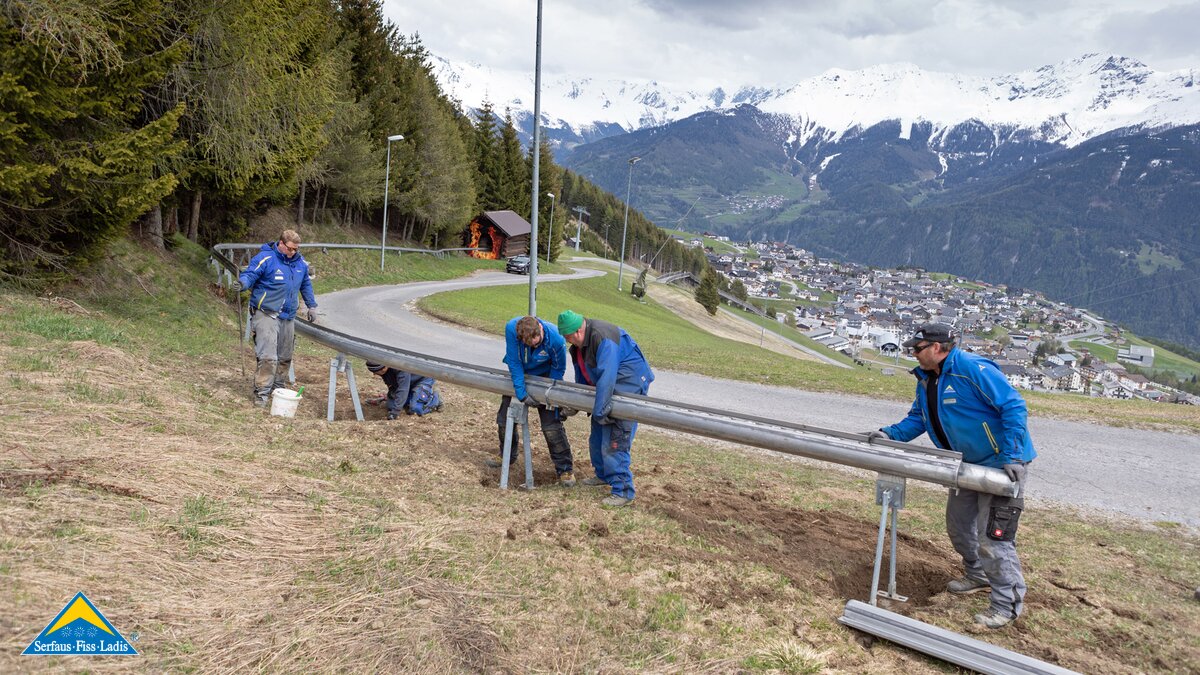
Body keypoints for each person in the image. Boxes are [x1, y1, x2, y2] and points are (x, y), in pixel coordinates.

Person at [864, 323, 1036, 629]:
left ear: (937, 348)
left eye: (917, 349)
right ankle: (977, 574)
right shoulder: (927, 379)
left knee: (993, 539)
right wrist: (889, 434)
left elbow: (1013, 406)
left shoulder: (972, 369)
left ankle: (1005, 606)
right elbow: (919, 418)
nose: (912, 354)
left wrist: (1012, 455)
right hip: (964, 466)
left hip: (1001, 465)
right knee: (958, 526)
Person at [557, 310, 654, 508]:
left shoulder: (603, 337)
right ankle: (603, 475)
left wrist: (601, 411)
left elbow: (607, 377)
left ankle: (623, 491)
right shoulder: (578, 346)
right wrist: (576, 403)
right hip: (606, 388)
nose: (568, 342)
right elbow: (583, 377)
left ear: (577, 331)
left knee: (614, 441)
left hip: (628, 385)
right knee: (597, 438)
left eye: (568, 337)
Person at [488, 316, 576, 487]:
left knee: (551, 427)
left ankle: (565, 469)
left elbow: (558, 369)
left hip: (545, 378)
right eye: (530, 345)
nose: (534, 346)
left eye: (537, 343)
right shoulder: (511, 328)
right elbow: (514, 361)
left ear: (541, 330)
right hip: (520, 375)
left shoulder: (556, 339)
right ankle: (506, 455)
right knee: (505, 419)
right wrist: (521, 394)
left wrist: (551, 398)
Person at [237, 229, 318, 406]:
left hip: (288, 316)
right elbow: (251, 274)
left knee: (284, 357)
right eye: (290, 249)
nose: (293, 252)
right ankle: (262, 394)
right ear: (281, 243)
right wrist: (243, 283)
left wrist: (311, 306)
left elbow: (305, 284)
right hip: (266, 313)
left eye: (296, 249)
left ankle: (277, 390)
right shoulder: (266, 258)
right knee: (268, 357)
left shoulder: (300, 264)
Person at [365, 362, 432, 420]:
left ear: (385, 368)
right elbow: (392, 385)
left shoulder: (400, 367)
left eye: (376, 372)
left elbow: (403, 389)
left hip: (421, 380)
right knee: (391, 406)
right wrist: (392, 394)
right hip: (406, 383)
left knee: (416, 409)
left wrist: (395, 412)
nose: (374, 374)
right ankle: (412, 397)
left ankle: (434, 398)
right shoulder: (383, 368)